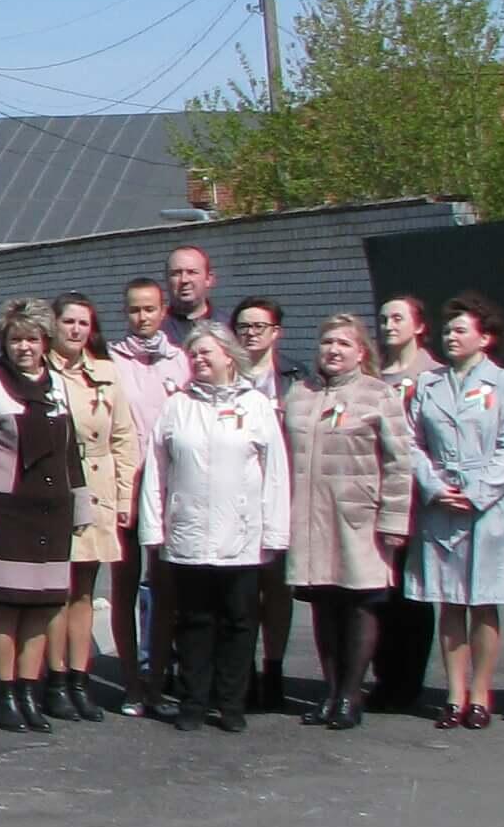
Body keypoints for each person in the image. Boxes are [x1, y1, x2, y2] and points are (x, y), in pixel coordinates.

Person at [142, 322, 288, 733]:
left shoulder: (255, 406)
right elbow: (156, 469)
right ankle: (192, 701)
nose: (199, 360)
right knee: (193, 623)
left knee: (239, 622)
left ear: (229, 356)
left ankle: (231, 703)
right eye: (194, 354)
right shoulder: (177, 406)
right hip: (187, 535)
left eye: (207, 352)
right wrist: (153, 530)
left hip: (240, 538)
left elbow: (275, 473)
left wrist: (275, 535)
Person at [0, 299, 89, 733]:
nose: (24, 347)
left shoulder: (57, 387)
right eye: (16, 339)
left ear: (45, 341)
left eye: (32, 339)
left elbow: (71, 453)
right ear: (4, 342)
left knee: (41, 608)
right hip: (3, 514)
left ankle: (30, 692)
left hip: (50, 517)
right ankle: (6, 695)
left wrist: (82, 506)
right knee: (5, 609)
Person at [281, 313, 413, 730]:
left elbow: (399, 461)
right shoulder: (300, 393)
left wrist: (394, 517)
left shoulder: (379, 395)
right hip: (309, 515)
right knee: (324, 604)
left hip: (359, 514)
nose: (333, 351)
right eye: (326, 343)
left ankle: (351, 695)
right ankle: (330, 688)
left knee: (359, 603)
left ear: (361, 352)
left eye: (343, 344)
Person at [408, 293, 504, 728]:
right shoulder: (429, 383)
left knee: (483, 601)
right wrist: (435, 487)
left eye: (461, 330)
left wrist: (475, 492)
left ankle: (481, 694)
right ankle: (454, 695)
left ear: (486, 337)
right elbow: (412, 442)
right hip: (441, 502)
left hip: (487, 506)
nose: (451, 337)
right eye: (448, 330)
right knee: (450, 602)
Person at [46, 293, 137, 723]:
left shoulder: (106, 373)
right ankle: (54, 678)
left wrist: (124, 497)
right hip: (54, 485)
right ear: (54, 325)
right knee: (55, 589)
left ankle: (80, 680)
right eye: (68, 322)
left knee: (84, 589)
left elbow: (123, 438)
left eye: (84, 323)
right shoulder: (39, 371)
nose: (76, 330)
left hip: (97, 487)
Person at [110, 277, 192, 715]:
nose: (141, 318)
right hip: (125, 484)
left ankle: (158, 678)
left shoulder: (181, 362)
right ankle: (131, 682)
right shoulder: (111, 361)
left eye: (149, 310)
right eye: (134, 310)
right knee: (123, 584)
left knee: (161, 586)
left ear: (163, 311)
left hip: (169, 488)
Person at [371, 294, 443, 711]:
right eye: (382, 318)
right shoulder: (373, 374)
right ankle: (383, 675)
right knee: (380, 589)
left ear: (418, 326)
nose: (388, 325)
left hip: (417, 495)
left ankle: (408, 681)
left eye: (397, 318)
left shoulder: (433, 375)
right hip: (375, 493)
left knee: (411, 593)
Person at [229, 299, 298, 712]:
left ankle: (274, 668)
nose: (251, 332)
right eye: (243, 326)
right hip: (233, 498)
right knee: (240, 593)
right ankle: (244, 668)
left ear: (277, 332)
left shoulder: (295, 378)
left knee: (276, 590)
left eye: (259, 325)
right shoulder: (223, 373)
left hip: (277, 497)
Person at [162, 245, 218, 343]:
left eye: (192, 272)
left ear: (209, 279)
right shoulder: (155, 329)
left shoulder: (228, 326)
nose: (184, 280)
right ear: (166, 279)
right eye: (176, 273)